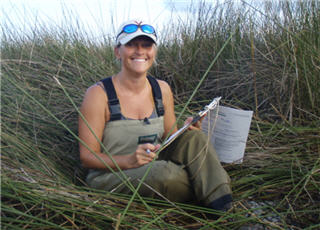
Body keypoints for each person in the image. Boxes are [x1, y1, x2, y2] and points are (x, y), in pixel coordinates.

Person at [78, 19, 232, 211]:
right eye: (131, 44)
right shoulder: (98, 94)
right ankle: (212, 187)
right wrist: (129, 161)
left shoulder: (162, 89)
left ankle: (224, 209)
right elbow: (87, 157)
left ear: (154, 51)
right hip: (110, 175)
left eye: (146, 45)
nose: (140, 51)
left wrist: (185, 130)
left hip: (154, 164)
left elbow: (170, 138)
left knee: (195, 138)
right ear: (118, 51)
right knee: (167, 174)